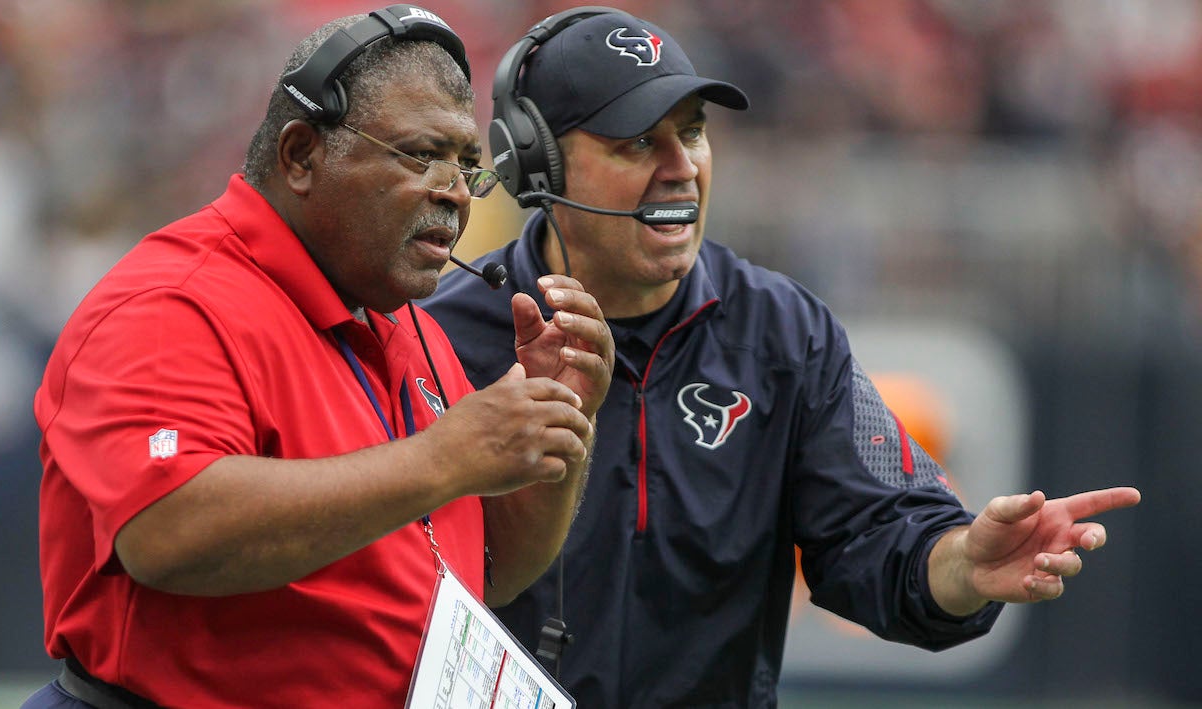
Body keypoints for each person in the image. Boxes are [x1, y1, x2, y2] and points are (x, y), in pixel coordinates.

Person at [422, 8, 1142, 708]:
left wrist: (967, 565)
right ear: (537, 165)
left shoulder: (783, 331)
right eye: (639, 142)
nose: (682, 168)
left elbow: (882, 532)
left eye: (694, 134)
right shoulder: (439, 337)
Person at [23, 7, 613, 708]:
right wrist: (444, 457)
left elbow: (492, 570)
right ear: (302, 154)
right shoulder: (171, 304)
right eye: (422, 154)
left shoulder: (401, 325)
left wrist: (560, 429)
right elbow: (169, 532)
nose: (455, 191)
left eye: (466, 166)